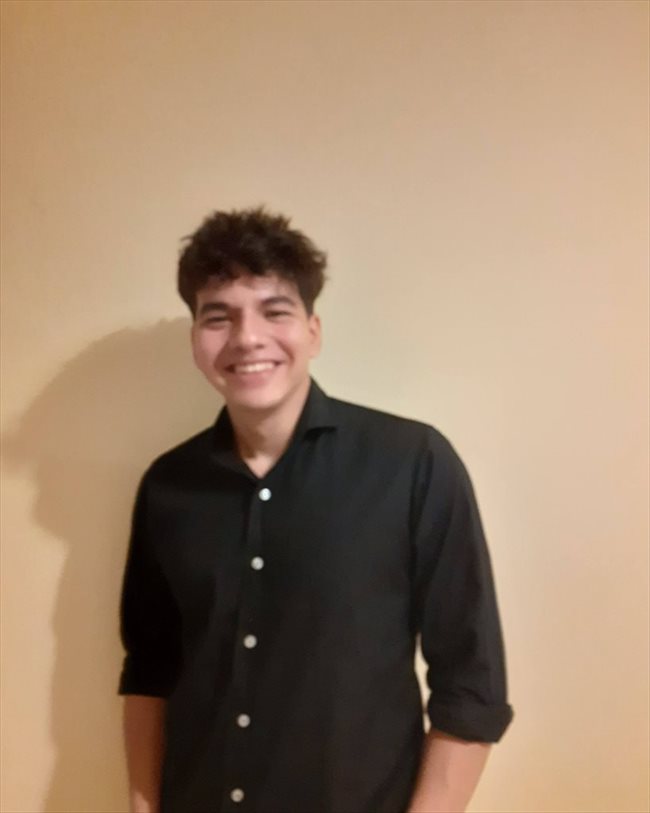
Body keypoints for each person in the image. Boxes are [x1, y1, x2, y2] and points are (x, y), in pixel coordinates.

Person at [118, 206, 513, 813]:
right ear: (195, 339)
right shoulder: (167, 485)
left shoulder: (412, 464)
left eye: (274, 311)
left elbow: (470, 682)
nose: (247, 337)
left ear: (313, 331)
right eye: (218, 317)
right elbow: (151, 670)